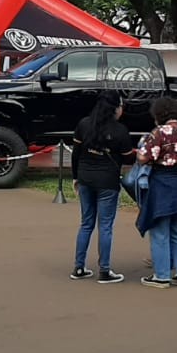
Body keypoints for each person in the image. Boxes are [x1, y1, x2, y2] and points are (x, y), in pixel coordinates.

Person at [135, 97, 177, 288]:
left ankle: (162, 275)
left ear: (159, 113)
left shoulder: (159, 132)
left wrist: (139, 152)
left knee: (160, 231)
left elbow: (144, 157)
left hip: (163, 184)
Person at [70, 90, 134, 283]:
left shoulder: (84, 124)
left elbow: (75, 153)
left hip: (85, 178)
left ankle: (79, 267)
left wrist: (75, 177)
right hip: (107, 181)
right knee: (105, 226)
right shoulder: (120, 130)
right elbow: (128, 155)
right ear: (115, 108)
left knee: (86, 223)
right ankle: (104, 270)